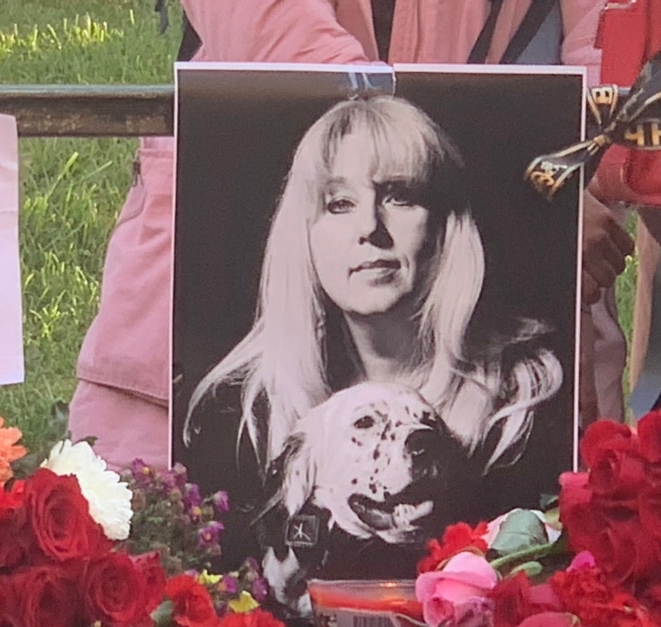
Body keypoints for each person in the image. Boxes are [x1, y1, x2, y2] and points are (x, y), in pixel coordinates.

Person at [69, 0, 635, 471]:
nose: (369, 228)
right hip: (194, 323)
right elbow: (275, 31)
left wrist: (566, 183)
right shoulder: (224, 397)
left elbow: (618, 54)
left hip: (518, 351)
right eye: (341, 202)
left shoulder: (525, 383)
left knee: (520, 560)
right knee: (176, 550)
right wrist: (531, 195)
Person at [180, 93, 563, 476]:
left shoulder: (524, 405)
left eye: (399, 197)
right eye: (339, 204)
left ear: (445, 226)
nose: (369, 227)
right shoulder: (243, 413)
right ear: (303, 235)